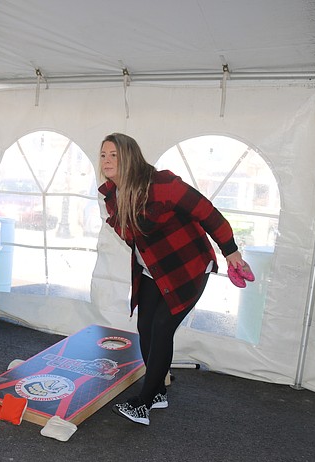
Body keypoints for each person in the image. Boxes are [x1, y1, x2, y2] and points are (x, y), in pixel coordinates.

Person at [98, 133, 244, 426]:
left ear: (130, 157)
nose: (107, 160)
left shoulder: (163, 184)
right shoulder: (113, 196)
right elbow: (134, 238)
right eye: (103, 155)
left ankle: (143, 403)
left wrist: (231, 252)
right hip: (153, 270)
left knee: (162, 327)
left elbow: (208, 213)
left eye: (114, 155)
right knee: (145, 327)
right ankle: (158, 392)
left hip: (188, 268)